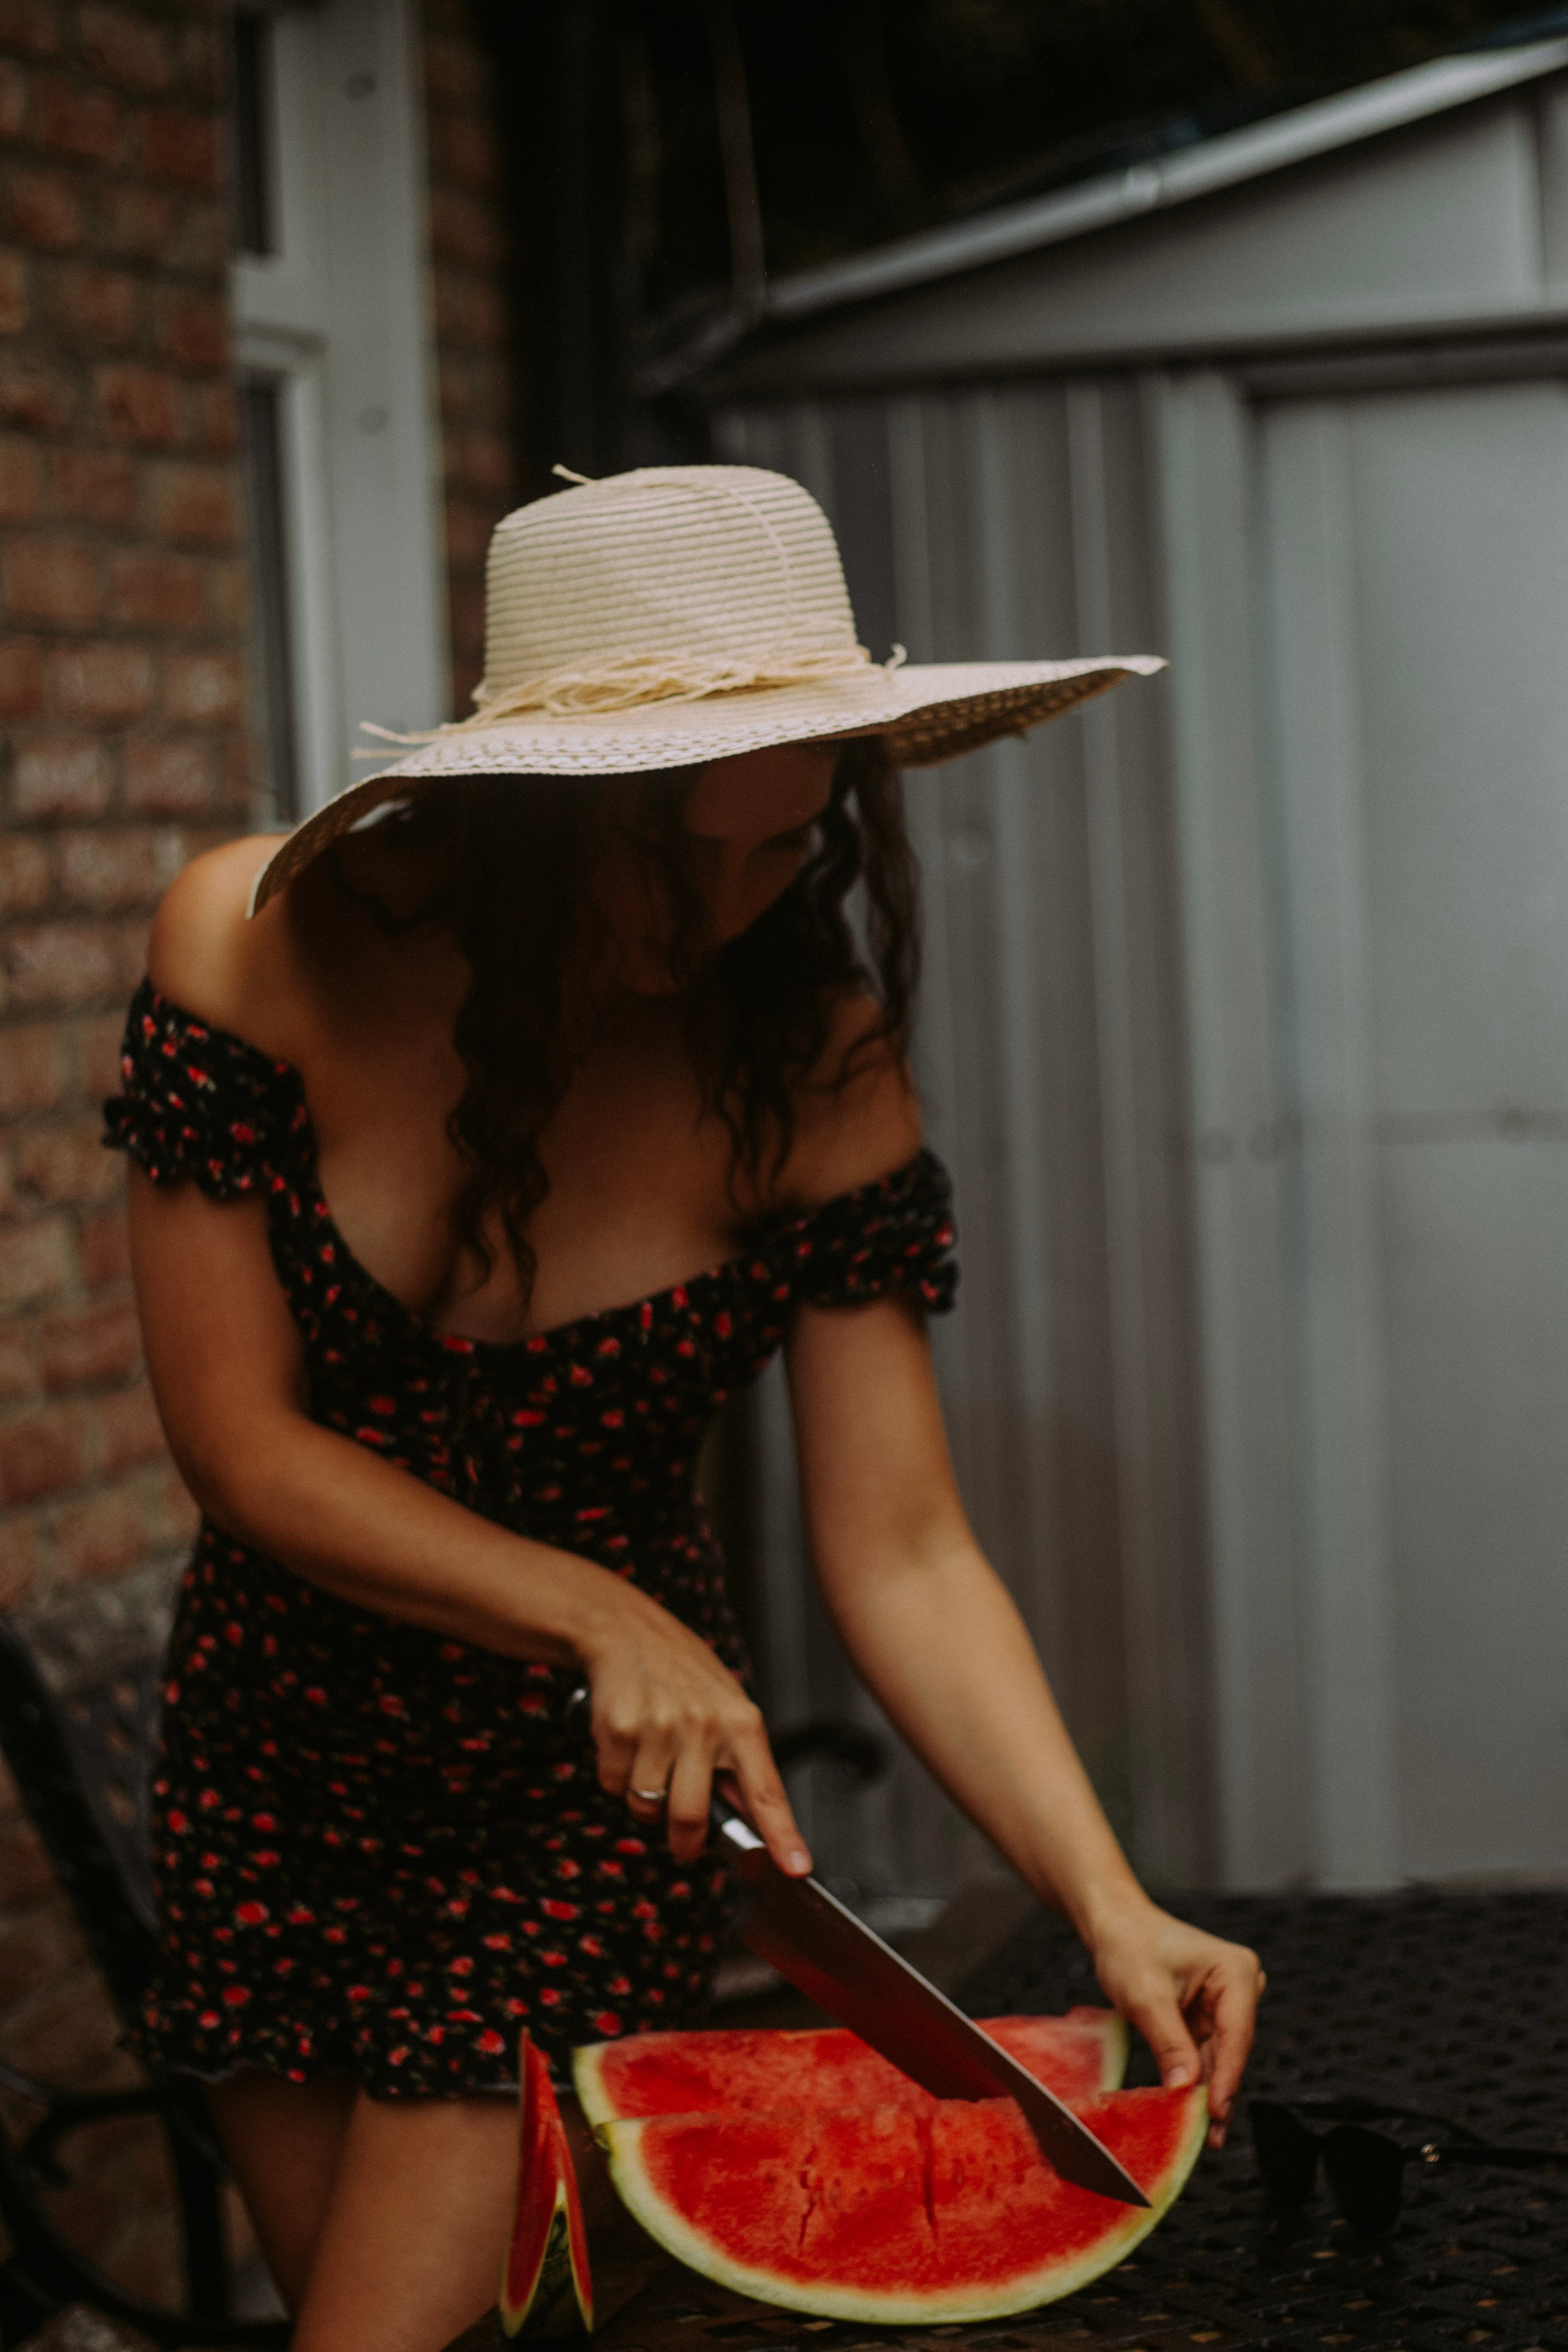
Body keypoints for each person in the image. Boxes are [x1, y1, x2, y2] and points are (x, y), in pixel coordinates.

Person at [108, 466, 1262, 2352]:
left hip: (600, 1798)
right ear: (532, 807)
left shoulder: (814, 1067)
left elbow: (901, 1543)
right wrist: (600, 1605)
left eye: (779, 851)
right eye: (675, 855)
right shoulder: (257, 947)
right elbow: (244, 1452)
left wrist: (1106, 1896)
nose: (733, 913)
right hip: (275, 1772)